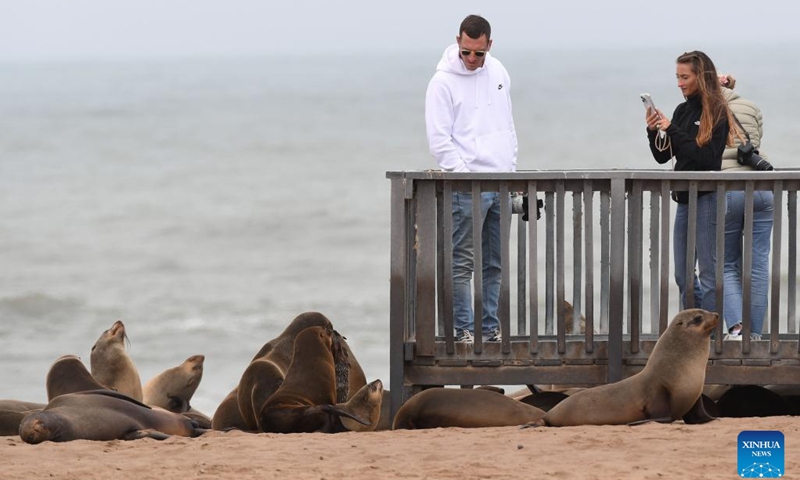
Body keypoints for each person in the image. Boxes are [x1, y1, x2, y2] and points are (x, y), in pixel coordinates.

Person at [425, 14, 517, 343]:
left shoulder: (499, 71)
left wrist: (511, 167)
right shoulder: (442, 82)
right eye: (466, 52)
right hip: (466, 186)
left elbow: (506, 124)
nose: (472, 59)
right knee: (462, 262)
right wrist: (464, 176)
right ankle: (463, 329)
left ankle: (490, 329)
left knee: (494, 264)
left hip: (501, 182)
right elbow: (439, 140)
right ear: (458, 42)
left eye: (478, 52)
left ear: (488, 45)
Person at [645, 51, 735, 314]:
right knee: (683, 276)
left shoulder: (716, 110)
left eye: (685, 77)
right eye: (677, 77)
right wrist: (653, 131)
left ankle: (710, 339)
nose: (679, 83)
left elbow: (707, 158)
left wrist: (672, 129)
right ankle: (693, 332)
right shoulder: (682, 111)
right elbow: (663, 156)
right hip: (684, 199)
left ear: (700, 77)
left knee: (709, 276)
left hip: (708, 197)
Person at [718, 74, 774, 340]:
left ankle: (738, 329)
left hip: (730, 189)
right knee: (759, 264)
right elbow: (757, 138)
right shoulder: (751, 106)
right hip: (763, 188)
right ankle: (755, 336)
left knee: (726, 263)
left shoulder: (707, 108)